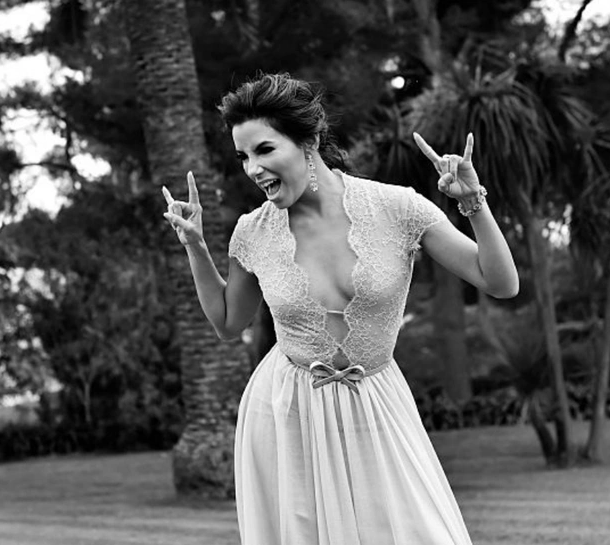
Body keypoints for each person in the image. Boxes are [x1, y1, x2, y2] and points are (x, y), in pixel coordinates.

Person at [162, 73, 518, 545]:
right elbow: (229, 323)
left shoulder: (397, 208)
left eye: (264, 150)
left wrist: (473, 201)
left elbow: (501, 283)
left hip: (377, 401)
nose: (252, 169)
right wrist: (195, 246)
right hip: (286, 411)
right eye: (243, 157)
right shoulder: (252, 231)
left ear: (308, 141)